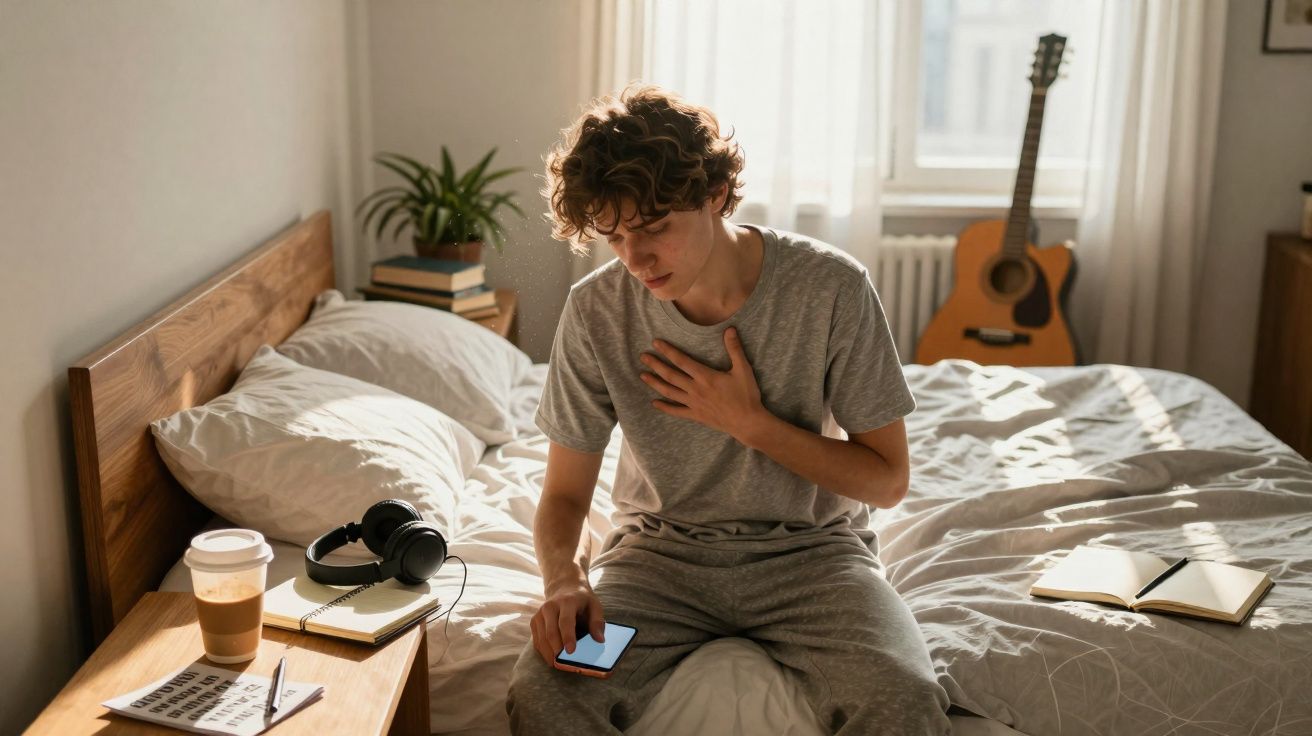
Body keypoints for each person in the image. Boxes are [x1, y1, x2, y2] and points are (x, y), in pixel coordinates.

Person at [506, 83, 951, 735]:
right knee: (543, 694)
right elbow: (566, 495)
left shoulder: (832, 288)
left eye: (655, 228)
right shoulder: (597, 309)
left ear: (715, 193)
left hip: (814, 557)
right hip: (656, 560)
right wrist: (564, 582)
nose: (636, 258)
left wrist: (754, 426)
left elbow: (887, 481)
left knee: (906, 698)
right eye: (614, 235)